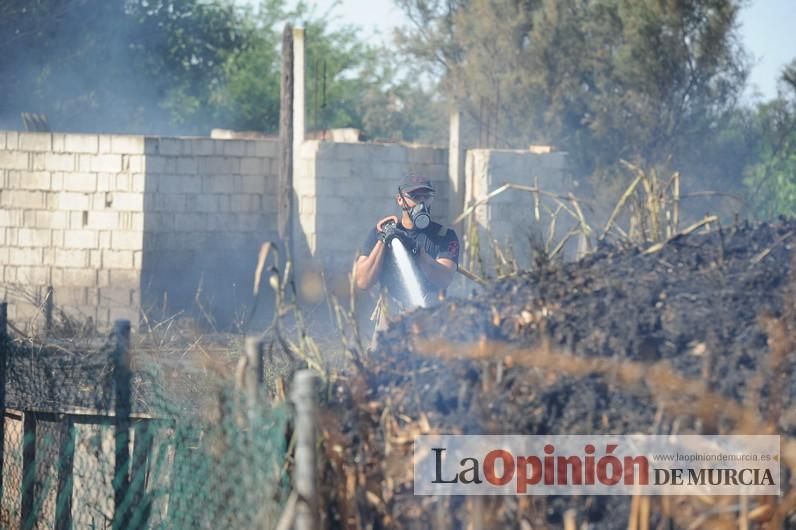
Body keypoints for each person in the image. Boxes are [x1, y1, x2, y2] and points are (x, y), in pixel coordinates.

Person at [354, 174, 460, 340]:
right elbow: (362, 281)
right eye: (415, 196)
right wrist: (383, 241)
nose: (422, 202)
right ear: (400, 200)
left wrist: (419, 254)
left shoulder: (444, 236)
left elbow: (444, 278)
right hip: (391, 314)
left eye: (427, 196)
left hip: (430, 314)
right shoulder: (379, 232)